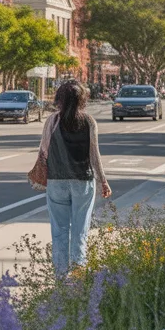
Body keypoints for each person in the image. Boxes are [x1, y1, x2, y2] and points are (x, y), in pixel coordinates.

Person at [37, 79, 111, 276]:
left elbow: (43, 151)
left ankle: (61, 277)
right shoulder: (88, 121)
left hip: (56, 181)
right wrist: (103, 180)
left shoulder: (52, 120)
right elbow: (94, 154)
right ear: (82, 99)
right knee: (80, 230)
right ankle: (78, 275)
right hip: (83, 182)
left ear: (59, 99)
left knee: (59, 231)